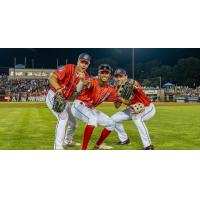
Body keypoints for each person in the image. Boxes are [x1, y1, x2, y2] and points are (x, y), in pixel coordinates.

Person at [46, 53, 91, 150]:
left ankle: (68, 140)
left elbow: (75, 95)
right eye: (82, 62)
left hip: (65, 100)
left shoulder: (86, 77)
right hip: (54, 95)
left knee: (74, 124)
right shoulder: (69, 68)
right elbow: (51, 78)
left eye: (86, 63)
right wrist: (58, 89)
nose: (83, 65)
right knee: (63, 117)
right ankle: (58, 147)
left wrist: (83, 82)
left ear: (88, 64)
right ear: (78, 62)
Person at [71, 64, 118, 150]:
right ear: (99, 74)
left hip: (90, 109)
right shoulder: (93, 81)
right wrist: (83, 81)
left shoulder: (111, 89)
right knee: (93, 119)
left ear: (109, 75)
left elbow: (117, 104)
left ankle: (97, 146)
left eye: (106, 73)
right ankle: (84, 149)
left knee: (111, 123)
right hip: (79, 105)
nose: (104, 74)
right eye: (102, 72)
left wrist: (126, 100)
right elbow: (87, 84)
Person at [111, 68, 156, 150]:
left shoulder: (131, 82)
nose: (118, 78)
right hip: (133, 109)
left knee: (137, 118)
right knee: (113, 119)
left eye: (120, 76)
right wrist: (117, 98)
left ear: (125, 77)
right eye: (116, 76)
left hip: (147, 108)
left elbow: (135, 84)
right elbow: (117, 106)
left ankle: (148, 146)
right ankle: (124, 140)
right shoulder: (116, 89)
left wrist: (132, 87)